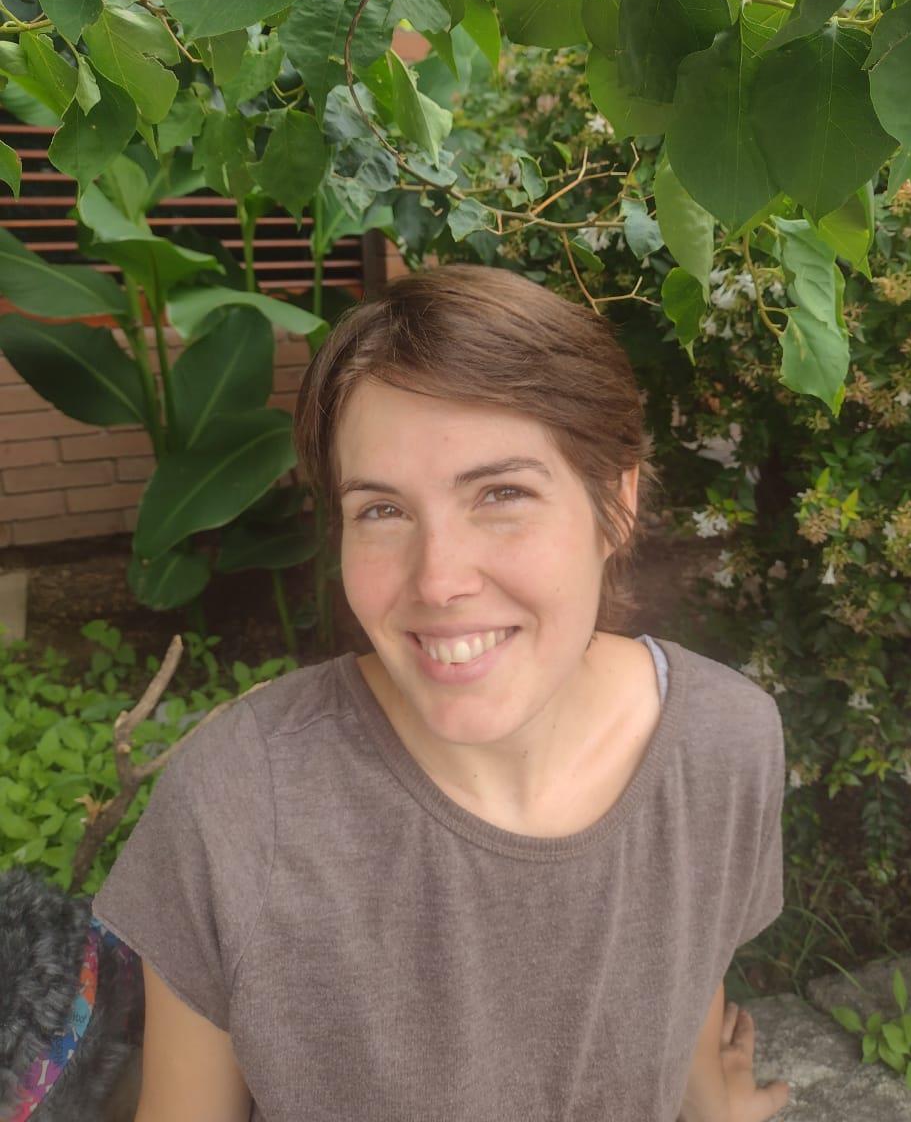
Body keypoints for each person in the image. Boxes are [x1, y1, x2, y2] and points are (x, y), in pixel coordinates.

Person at [92, 263, 789, 1122]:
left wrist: (714, 1104)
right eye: (382, 510)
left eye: (501, 494)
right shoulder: (239, 804)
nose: (439, 580)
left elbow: (686, 961)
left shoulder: (725, 741)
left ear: (615, 506)